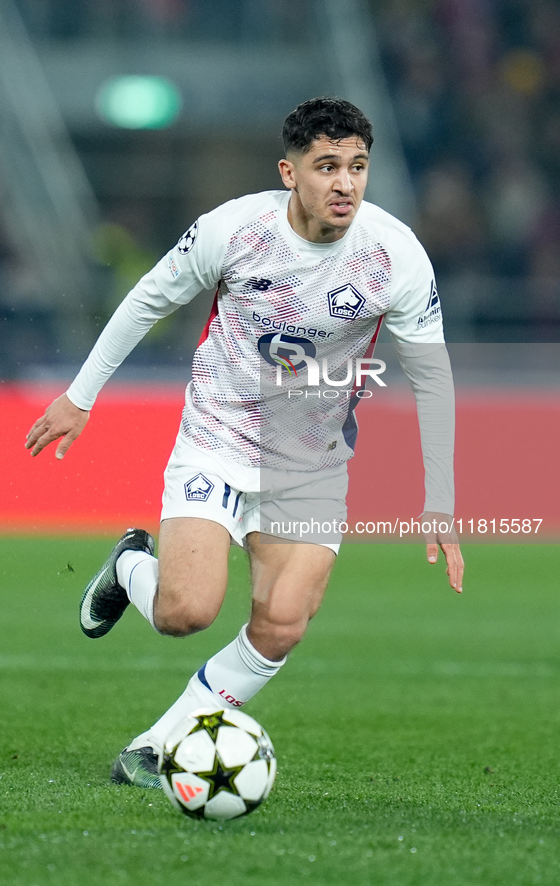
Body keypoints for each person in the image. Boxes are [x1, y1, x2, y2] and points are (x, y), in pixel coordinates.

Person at [26, 97, 464, 788]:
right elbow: (147, 297)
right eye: (327, 167)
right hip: (217, 442)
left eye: (356, 167)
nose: (345, 183)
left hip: (311, 463)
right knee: (184, 613)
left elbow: (431, 377)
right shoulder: (232, 231)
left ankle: (160, 743)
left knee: (284, 622)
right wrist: (80, 395)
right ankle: (130, 568)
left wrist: (439, 498)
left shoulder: (393, 256)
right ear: (289, 173)